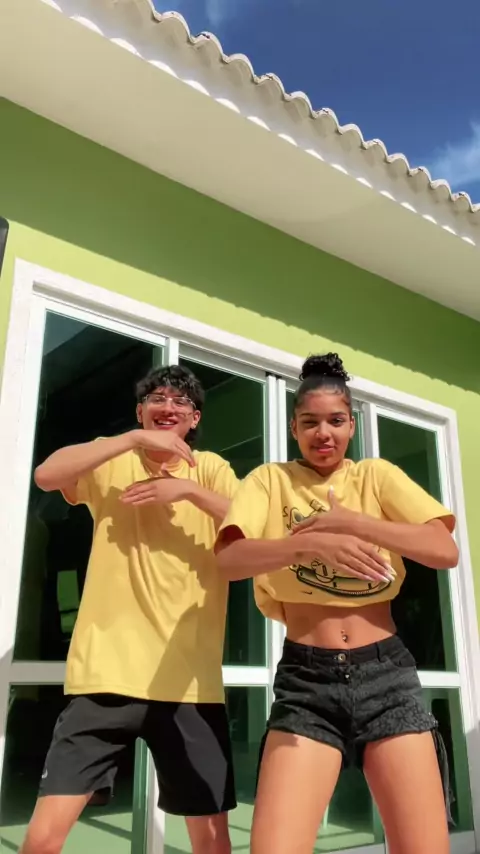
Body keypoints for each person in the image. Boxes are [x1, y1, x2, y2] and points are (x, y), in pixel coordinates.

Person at [215, 353, 458, 854]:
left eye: (336, 421)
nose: (323, 433)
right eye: (310, 422)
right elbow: (229, 559)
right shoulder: (269, 481)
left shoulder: (375, 477)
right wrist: (308, 546)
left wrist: (354, 523)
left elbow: (443, 550)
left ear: (352, 425)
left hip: (387, 677)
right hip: (307, 684)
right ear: (293, 428)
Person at [21, 364, 238, 854]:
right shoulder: (113, 459)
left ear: (195, 418)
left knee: (211, 842)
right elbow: (47, 475)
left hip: (189, 683)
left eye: (181, 402)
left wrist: (187, 490)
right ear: (140, 412)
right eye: (157, 399)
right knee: (43, 838)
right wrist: (131, 439)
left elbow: (256, 518)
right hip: (105, 675)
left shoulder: (210, 469)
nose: (168, 407)